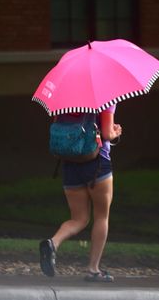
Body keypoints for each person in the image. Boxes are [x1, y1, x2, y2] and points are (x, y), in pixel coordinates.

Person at [39, 104, 122, 282]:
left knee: (78, 219)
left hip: (70, 164)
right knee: (101, 217)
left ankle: (52, 243)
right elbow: (106, 134)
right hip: (97, 164)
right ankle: (93, 269)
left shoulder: (65, 99)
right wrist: (116, 132)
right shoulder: (105, 99)